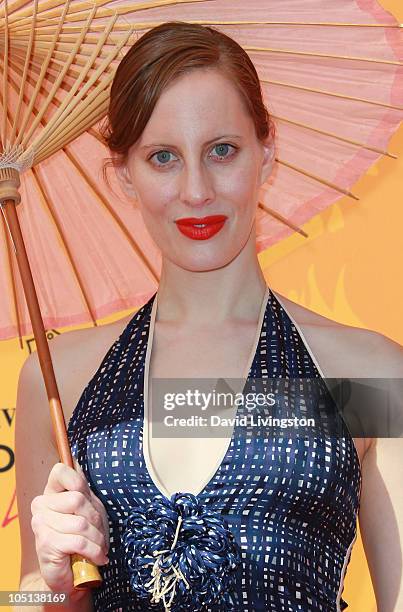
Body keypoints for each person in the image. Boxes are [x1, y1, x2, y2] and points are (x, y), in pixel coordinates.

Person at [15, 20, 403, 612]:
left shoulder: (369, 373)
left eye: (222, 150)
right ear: (123, 174)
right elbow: (21, 599)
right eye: (163, 157)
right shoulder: (57, 380)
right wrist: (48, 580)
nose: (197, 191)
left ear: (266, 152)